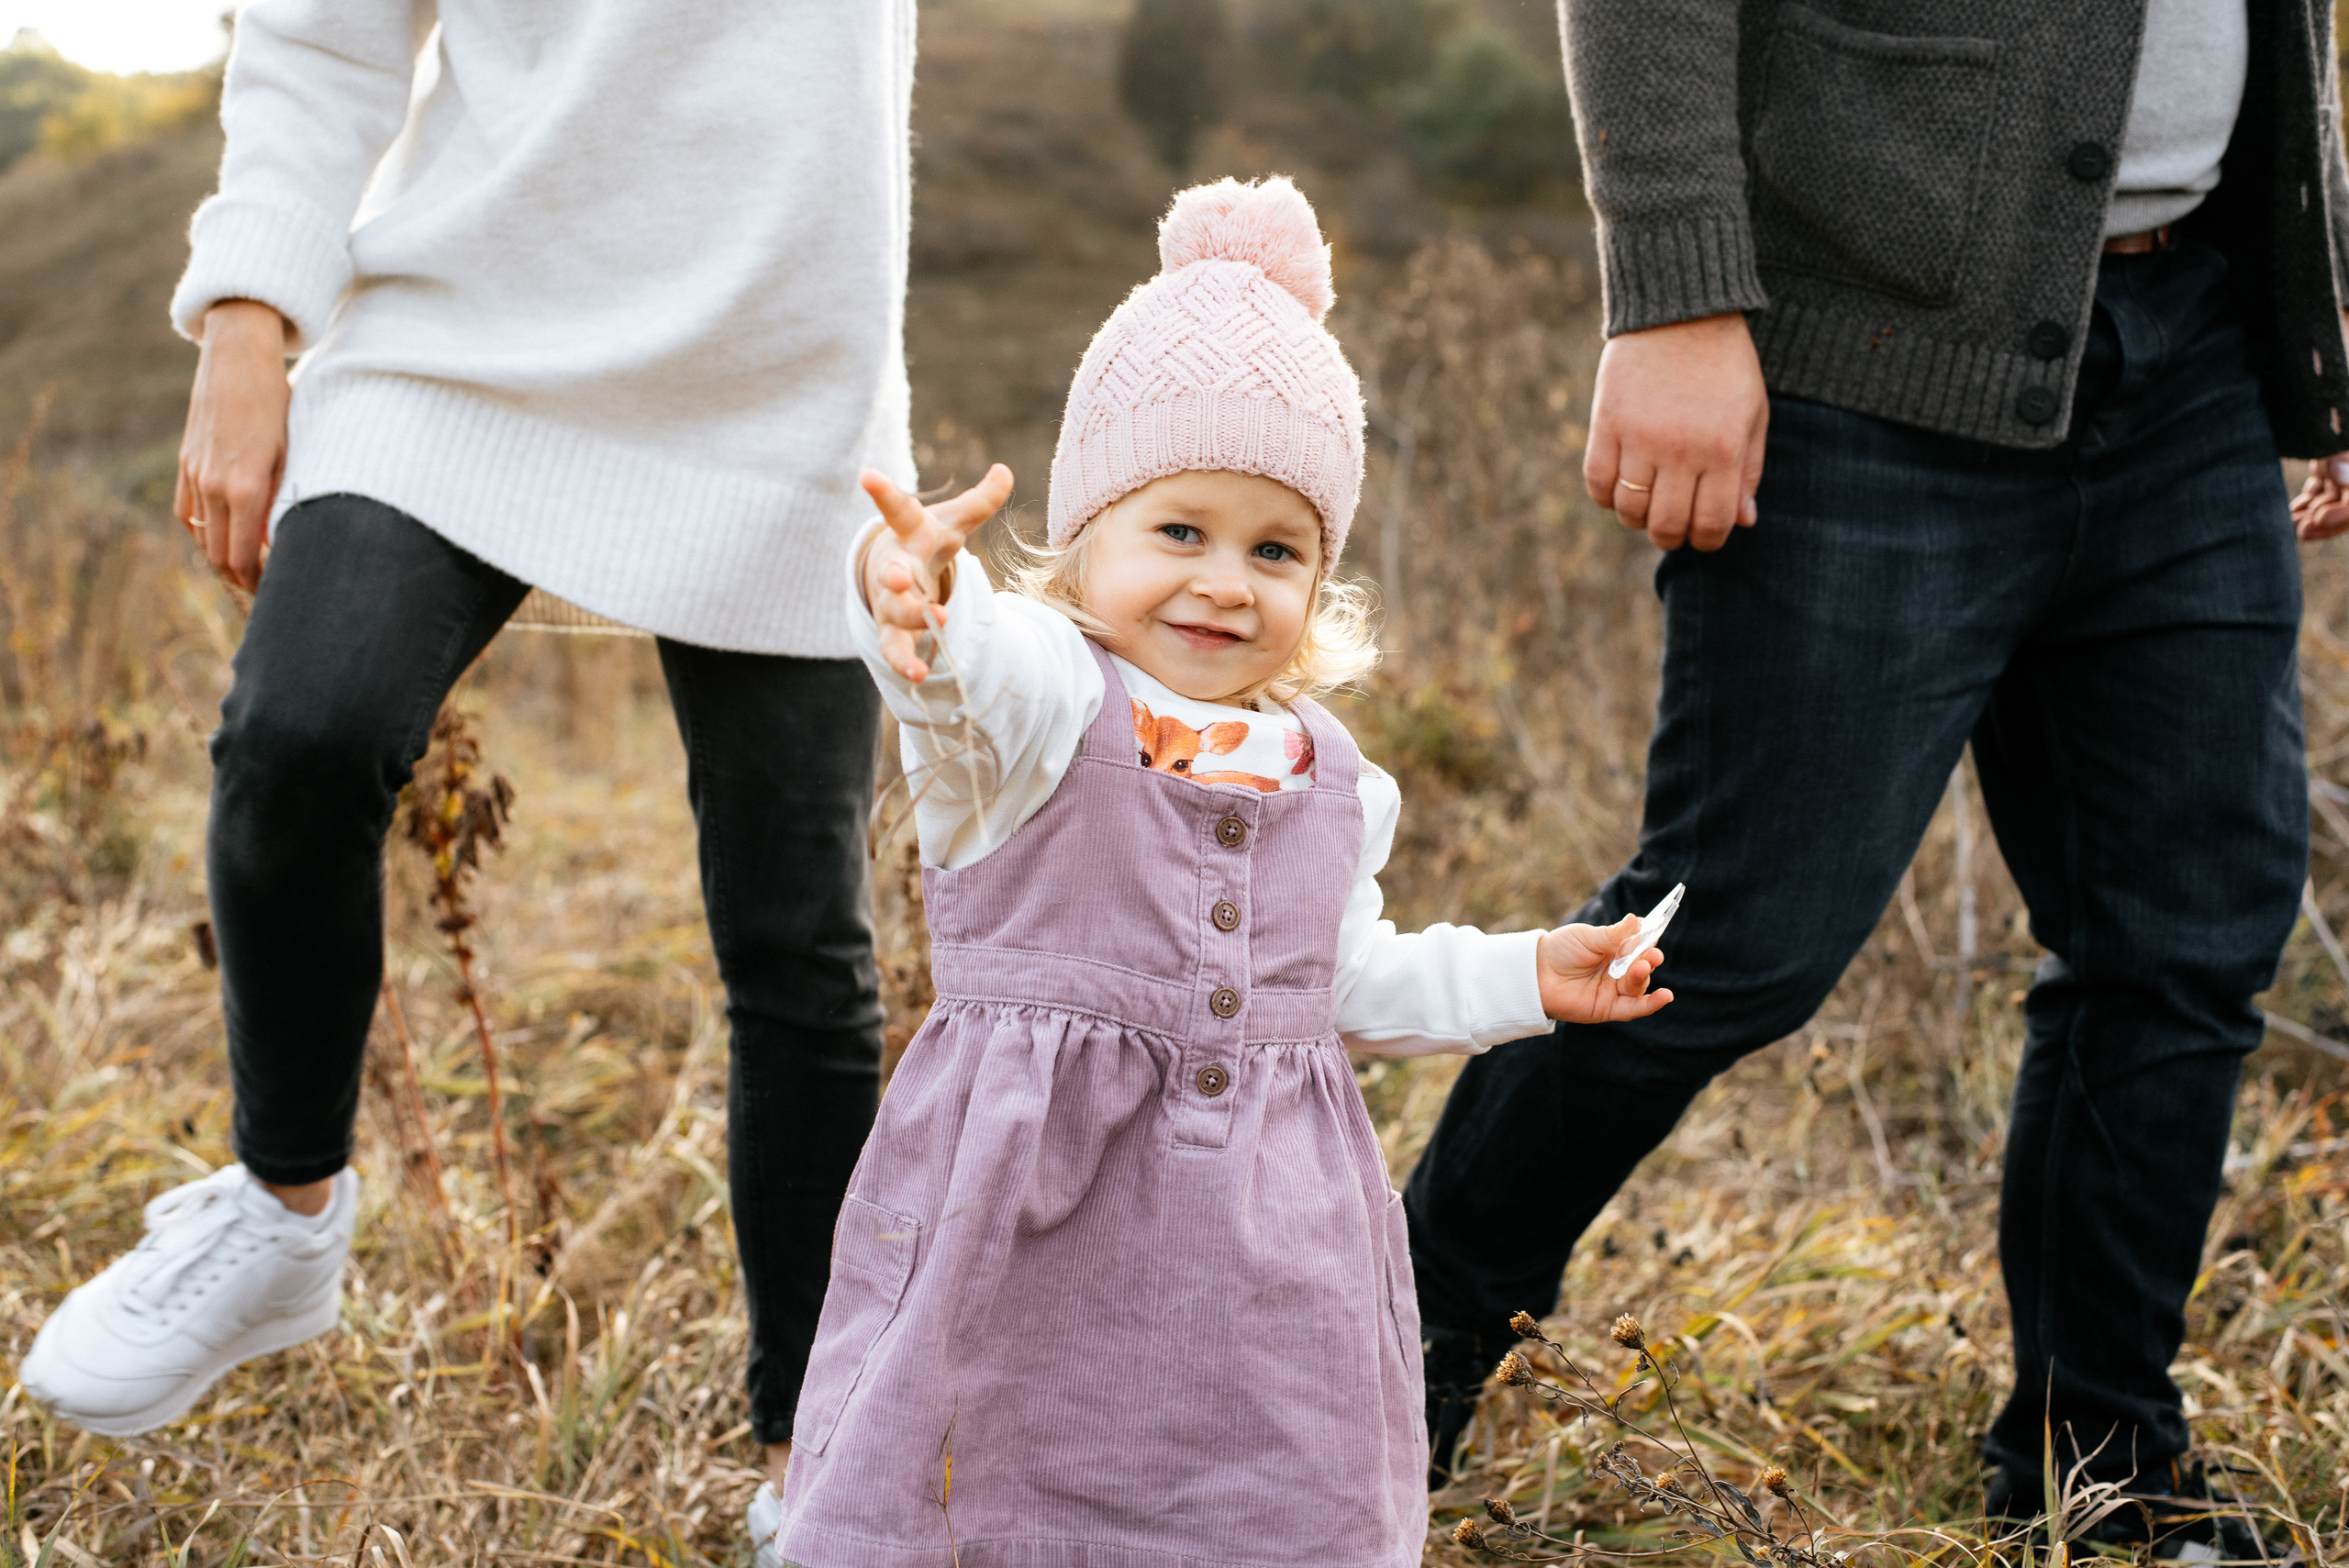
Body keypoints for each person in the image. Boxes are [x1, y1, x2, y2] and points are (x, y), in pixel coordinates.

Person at [1405, 0, 2349, 1545]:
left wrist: (2318, 312)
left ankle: (2102, 1472)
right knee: (1727, 942)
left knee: (2182, 943)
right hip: (1861, 359)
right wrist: (1675, 295)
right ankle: (1375, 1360)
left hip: (2195, 352)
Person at [17, 3, 917, 1552]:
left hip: (781, 377)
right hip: (459, 330)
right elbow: (323, 32)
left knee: (800, 943)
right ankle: (283, 1206)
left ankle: (819, 1461)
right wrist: (247, 321)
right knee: (299, 733)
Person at [763, 177, 1673, 1568]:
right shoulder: (1040, 707)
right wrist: (923, 600)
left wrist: (1525, 975)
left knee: (1277, 1480)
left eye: (1276, 548)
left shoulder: (1331, 773)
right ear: (1088, 537)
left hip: (1265, 1242)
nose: (1227, 581)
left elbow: (1340, 979)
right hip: (1031, 1207)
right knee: (999, 1469)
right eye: (1178, 531)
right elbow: (961, 672)